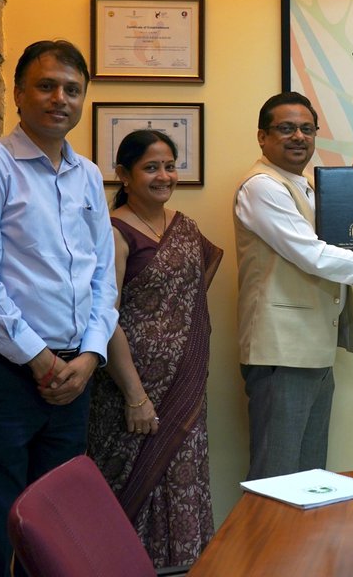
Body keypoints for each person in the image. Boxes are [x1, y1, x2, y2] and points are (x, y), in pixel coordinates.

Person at [0, 39, 119, 576]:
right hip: (3, 372)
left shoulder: (87, 174)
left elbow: (103, 278)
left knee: (58, 522)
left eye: (72, 89)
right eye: (46, 86)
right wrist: (39, 359)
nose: (59, 98)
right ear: (18, 94)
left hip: (74, 374)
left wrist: (90, 356)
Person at [234, 91, 353, 479]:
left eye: (306, 129)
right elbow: (314, 255)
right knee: (277, 475)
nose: (298, 137)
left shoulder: (303, 186)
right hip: (281, 352)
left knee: (309, 473)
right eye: (285, 129)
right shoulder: (262, 188)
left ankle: (300, 542)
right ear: (262, 137)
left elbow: (342, 232)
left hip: (313, 347)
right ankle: (271, 543)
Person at [87, 129, 222, 567]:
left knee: (183, 487)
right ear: (124, 175)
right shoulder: (114, 232)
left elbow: (192, 293)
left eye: (169, 165)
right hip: (129, 397)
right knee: (131, 495)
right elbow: (104, 318)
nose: (164, 176)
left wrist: (178, 342)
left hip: (182, 393)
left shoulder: (185, 226)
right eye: (151, 167)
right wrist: (135, 396)